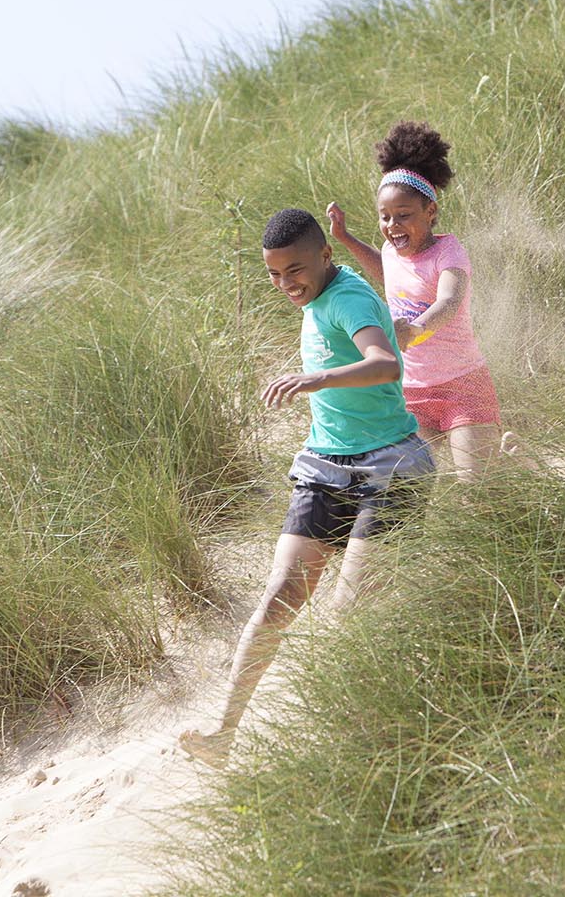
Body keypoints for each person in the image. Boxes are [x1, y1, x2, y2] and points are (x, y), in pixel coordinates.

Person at [179, 207, 433, 767]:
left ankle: (362, 736)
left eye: (294, 269)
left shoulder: (348, 299)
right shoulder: (314, 296)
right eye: (273, 274)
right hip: (325, 466)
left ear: (325, 255)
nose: (285, 283)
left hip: (392, 467)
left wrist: (317, 378)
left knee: (351, 612)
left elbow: (386, 364)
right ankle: (223, 733)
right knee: (279, 599)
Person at [326, 121, 508, 480]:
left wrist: (415, 329)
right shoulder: (392, 252)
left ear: (431, 212)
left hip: (463, 387)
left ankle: (513, 456)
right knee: (407, 486)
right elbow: (389, 274)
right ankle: (506, 454)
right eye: (385, 217)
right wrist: (345, 238)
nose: (392, 225)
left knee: (477, 490)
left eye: (404, 215)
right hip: (411, 393)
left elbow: (449, 302)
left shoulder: (448, 252)